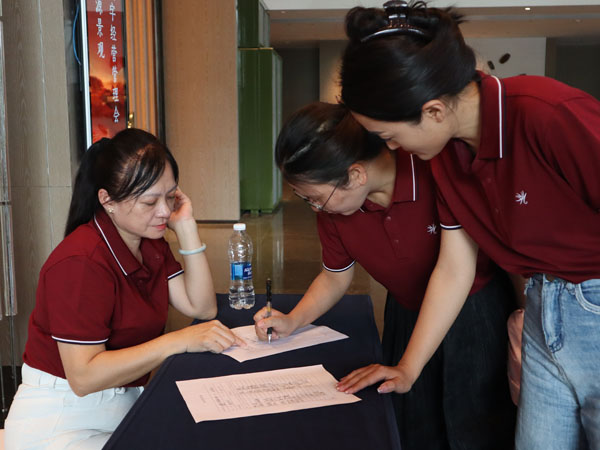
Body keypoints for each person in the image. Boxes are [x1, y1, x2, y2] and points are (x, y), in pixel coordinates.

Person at [336, 2, 600, 449]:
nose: (392, 149)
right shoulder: (444, 155)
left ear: (434, 111)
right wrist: (409, 367)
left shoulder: (546, 113)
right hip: (541, 305)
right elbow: (455, 266)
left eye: (389, 136)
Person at [254, 101, 516, 450]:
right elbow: (334, 276)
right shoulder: (335, 211)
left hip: (473, 313)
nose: (315, 208)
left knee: (473, 424)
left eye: (315, 198)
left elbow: (455, 270)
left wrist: (409, 365)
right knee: (412, 424)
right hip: (405, 313)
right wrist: (293, 320)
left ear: (355, 175)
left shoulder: (434, 170)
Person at [4, 128, 243, 449]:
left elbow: (202, 307)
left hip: (121, 406)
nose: (164, 211)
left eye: (170, 196)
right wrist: (179, 340)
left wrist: (186, 226)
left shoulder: (149, 242)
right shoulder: (81, 262)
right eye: (150, 201)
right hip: (62, 421)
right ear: (107, 201)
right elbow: (84, 377)